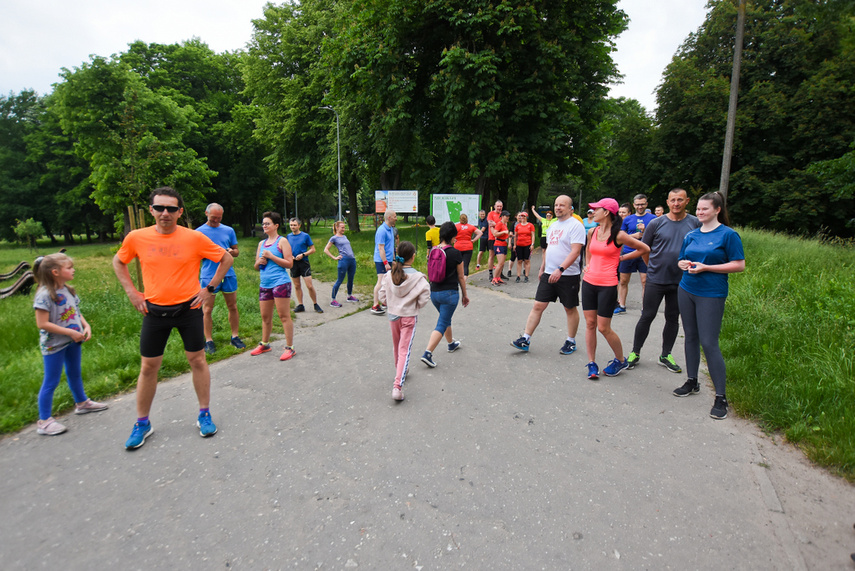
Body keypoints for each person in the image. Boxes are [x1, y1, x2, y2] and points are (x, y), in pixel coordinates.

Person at [113, 187, 233, 449]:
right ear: (151, 210)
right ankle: (142, 423)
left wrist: (210, 288)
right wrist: (132, 292)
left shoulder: (194, 238)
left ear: (179, 212)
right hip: (153, 312)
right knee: (148, 367)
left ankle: (204, 414)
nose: (164, 213)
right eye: (159, 208)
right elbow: (118, 261)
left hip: (188, 309)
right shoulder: (137, 237)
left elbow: (225, 258)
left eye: (170, 208)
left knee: (198, 360)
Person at [674, 191, 745, 420]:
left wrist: (707, 268)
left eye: (705, 209)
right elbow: (681, 259)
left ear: (717, 210)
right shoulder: (692, 234)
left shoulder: (728, 235)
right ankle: (692, 381)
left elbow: (738, 265)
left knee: (709, 342)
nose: (699, 212)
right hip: (687, 290)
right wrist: (683, 263)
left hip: (711, 293)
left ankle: (721, 397)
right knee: (690, 336)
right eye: (698, 209)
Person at [32, 253, 107, 436]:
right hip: (54, 345)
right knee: (51, 381)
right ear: (55, 272)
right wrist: (70, 332)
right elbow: (42, 323)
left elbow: (76, 311)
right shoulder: (44, 295)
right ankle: (44, 421)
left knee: (74, 372)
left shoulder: (68, 289)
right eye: (69, 267)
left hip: (74, 340)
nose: (73, 270)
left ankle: (82, 403)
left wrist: (85, 325)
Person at [626, 189, 700, 373]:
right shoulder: (656, 223)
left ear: (687, 201)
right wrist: (651, 267)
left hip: (681, 280)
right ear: (667, 202)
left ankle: (665, 354)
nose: (676, 203)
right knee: (647, 315)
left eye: (680, 200)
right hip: (656, 278)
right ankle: (635, 352)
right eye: (673, 200)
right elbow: (645, 248)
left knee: (672, 317)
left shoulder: (695, 223)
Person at [581, 198, 649, 380]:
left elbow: (644, 248)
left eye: (597, 209)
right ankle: (592, 363)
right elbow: (588, 249)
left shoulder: (618, 234)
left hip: (607, 285)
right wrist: (587, 264)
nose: (593, 212)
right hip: (588, 282)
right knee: (589, 324)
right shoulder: (593, 232)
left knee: (603, 327)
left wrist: (622, 259)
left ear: (607, 213)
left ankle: (620, 360)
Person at [511, 195, 586, 355]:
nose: (558, 208)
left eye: (562, 205)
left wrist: (561, 269)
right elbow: (549, 249)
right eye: (556, 205)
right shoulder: (553, 225)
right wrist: (543, 267)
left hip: (567, 275)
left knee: (569, 308)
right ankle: (525, 339)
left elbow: (576, 251)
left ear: (570, 208)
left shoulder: (576, 226)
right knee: (538, 305)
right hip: (549, 273)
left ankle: (571, 341)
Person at [378, 241, 431, 401]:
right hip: (409, 316)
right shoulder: (419, 278)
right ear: (413, 257)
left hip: (393, 315)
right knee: (404, 350)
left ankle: (400, 370)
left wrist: (391, 303)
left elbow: (382, 297)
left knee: (397, 346)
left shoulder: (389, 275)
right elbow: (424, 299)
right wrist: (414, 305)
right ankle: (397, 386)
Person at [196, 203, 245, 354]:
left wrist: (230, 251)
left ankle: (235, 336)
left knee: (233, 306)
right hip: (209, 275)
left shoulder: (228, 230)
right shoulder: (198, 233)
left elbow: (236, 251)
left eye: (219, 218)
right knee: (207, 309)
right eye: (213, 218)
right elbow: (195, 255)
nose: (216, 221)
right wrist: (212, 253)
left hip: (228, 274)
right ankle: (209, 340)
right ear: (206, 214)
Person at [421, 222, 470, 368]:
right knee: (442, 323)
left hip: (434, 293)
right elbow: (461, 277)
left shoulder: (434, 250)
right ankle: (427, 353)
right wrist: (465, 295)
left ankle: (451, 344)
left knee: (445, 317)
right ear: (454, 236)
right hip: (449, 294)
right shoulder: (455, 253)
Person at [615, 194, 657, 315]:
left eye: (642, 204)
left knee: (645, 281)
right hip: (628, 252)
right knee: (623, 280)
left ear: (646, 204)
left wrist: (645, 232)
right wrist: (635, 236)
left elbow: (657, 236)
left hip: (645, 252)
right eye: (638, 204)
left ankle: (645, 307)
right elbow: (620, 235)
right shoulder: (628, 219)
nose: (640, 206)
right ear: (634, 205)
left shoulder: (653, 218)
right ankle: (621, 304)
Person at [286, 218, 323, 314]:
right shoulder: (288, 237)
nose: (292, 227)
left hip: (304, 263)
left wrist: (303, 255)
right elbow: (286, 250)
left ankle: (315, 304)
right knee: (297, 285)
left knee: (309, 285)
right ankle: (300, 305)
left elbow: (313, 249)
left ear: (299, 226)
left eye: (294, 225)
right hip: (293, 263)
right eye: (291, 225)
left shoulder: (305, 236)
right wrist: (290, 256)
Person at [324, 220, 359, 307]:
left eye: (344, 227)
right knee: (340, 280)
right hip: (344, 260)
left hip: (352, 260)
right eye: (342, 227)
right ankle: (333, 300)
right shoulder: (334, 238)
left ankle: (349, 296)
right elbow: (326, 249)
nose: (344, 229)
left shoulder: (345, 236)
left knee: (351, 279)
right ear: (337, 228)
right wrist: (334, 257)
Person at [371, 210, 397, 315]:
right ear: (389, 218)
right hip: (381, 260)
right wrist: (385, 263)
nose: (396, 218)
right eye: (395, 216)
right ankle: (375, 305)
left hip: (389, 259)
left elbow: (390, 246)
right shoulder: (381, 230)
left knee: (388, 281)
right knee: (381, 281)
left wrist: (393, 259)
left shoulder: (390, 229)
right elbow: (381, 248)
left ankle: (385, 301)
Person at [513, 211, 535, 282]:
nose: (522, 217)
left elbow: (533, 235)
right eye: (521, 216)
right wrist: (515, 245)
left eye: (524, 216)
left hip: (527, 244)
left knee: (527, 260)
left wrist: (532, 244)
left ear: (526, 217)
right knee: (519, 260)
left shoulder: (530, 225)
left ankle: (526, 276)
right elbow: (515, 236)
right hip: (519, 244)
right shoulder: (518, 226)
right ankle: (518, 276)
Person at [490, 211, 511, 286]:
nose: (508, 218)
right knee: (500, 263)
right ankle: (494, 279)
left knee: (502, 263)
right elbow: (495, 233)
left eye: (508, 216)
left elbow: (506, 233)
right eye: (506, 216)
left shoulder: (504, 224)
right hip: (499, 244)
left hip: (504, 243)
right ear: (502, 216)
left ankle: (498, 277)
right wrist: (503, 232)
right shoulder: (499, 224)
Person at [486, 200, 503, 280]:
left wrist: (496, 224)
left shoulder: (503, 214)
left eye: (500, 206)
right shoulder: (491, 214)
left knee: (501, 256)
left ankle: (500, 273)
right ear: (495, 206)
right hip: (492, 238)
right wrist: (499, 225)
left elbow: (504, 225)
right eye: (498, 206)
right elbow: (490, 224)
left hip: (501, 238)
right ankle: (490, 273)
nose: (499, 208)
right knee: (492, 255)